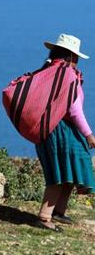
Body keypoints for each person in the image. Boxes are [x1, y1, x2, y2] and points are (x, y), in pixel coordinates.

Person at [35, 33, 95, 232]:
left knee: (65, 168)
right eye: (76, 57)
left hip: (46, 130)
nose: (77, 61)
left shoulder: (48, 71)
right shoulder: (68, 75)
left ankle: (58, 211)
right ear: (71, 56)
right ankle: (45, 217)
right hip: (61, 131)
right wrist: (88, 134)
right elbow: (74, 110)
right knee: (60, 173)